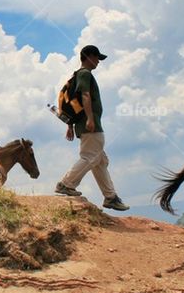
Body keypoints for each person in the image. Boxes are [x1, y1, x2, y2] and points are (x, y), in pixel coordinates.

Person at [54, 45, 128, 211]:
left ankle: (110, 197)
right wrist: (90, 118)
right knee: (90, 157)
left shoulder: (77, 75)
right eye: (96, 58)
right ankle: (66, 184)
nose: (98, 62)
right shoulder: (85, 74)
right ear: (88, 57)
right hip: (90, 125)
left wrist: (70, 125)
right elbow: (84, 95)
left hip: (85, 124)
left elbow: (73, 102)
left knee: (100, 161)